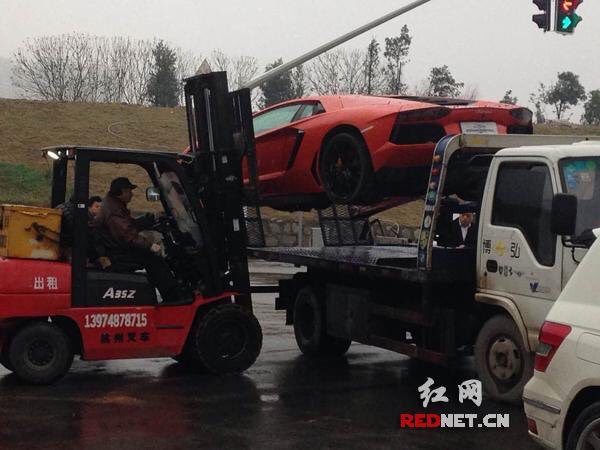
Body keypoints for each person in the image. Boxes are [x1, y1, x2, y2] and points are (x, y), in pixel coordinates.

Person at [94, 177, 183, 303]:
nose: (132, 194)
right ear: (121, 192)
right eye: (129, 191)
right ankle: (173, 297)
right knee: (154, 259)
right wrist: (150, 245)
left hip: (116, 248)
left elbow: (129, 225)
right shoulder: (114, 210)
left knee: (151, 257)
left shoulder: (114, 204)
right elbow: (127, 235)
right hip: (117, 253)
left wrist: (149, 219)